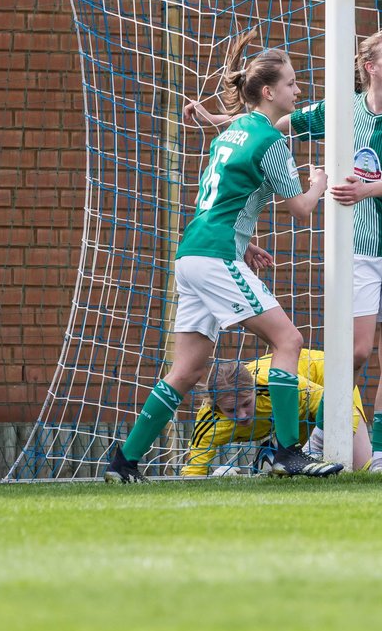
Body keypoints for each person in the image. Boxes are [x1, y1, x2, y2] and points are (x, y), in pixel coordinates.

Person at [187, 28, 382, 472]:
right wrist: (219, 122)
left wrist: (366, 190)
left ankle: (380, 456)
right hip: (357, 247)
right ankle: (323, 436)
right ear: (371, 66)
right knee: (356, 352)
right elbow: (272, 122)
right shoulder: (339, 112)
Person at [104, 30, 343, 482]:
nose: (298, 90)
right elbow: (301, 210)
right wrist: (319, 180)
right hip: (215, 257)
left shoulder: (236, 131)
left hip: (193, 253)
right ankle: (286, 453)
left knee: (188, 369)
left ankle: (124, 461)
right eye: (291, 84)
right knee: (288, 342)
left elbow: (222, 200)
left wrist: (243, 241)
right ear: (269, 92)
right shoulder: (272, 142)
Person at [183, 349, 382, 476]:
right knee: (294, 474)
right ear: (214, 405)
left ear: (254, 391)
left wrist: (314, 447)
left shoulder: (276, 387)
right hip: (298, 415)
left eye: (247, 404)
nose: (243, 415)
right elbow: (193, 471)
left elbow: (334, 402)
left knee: (365, 468)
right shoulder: (209, 423)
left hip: (329, 382)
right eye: (232, 410)